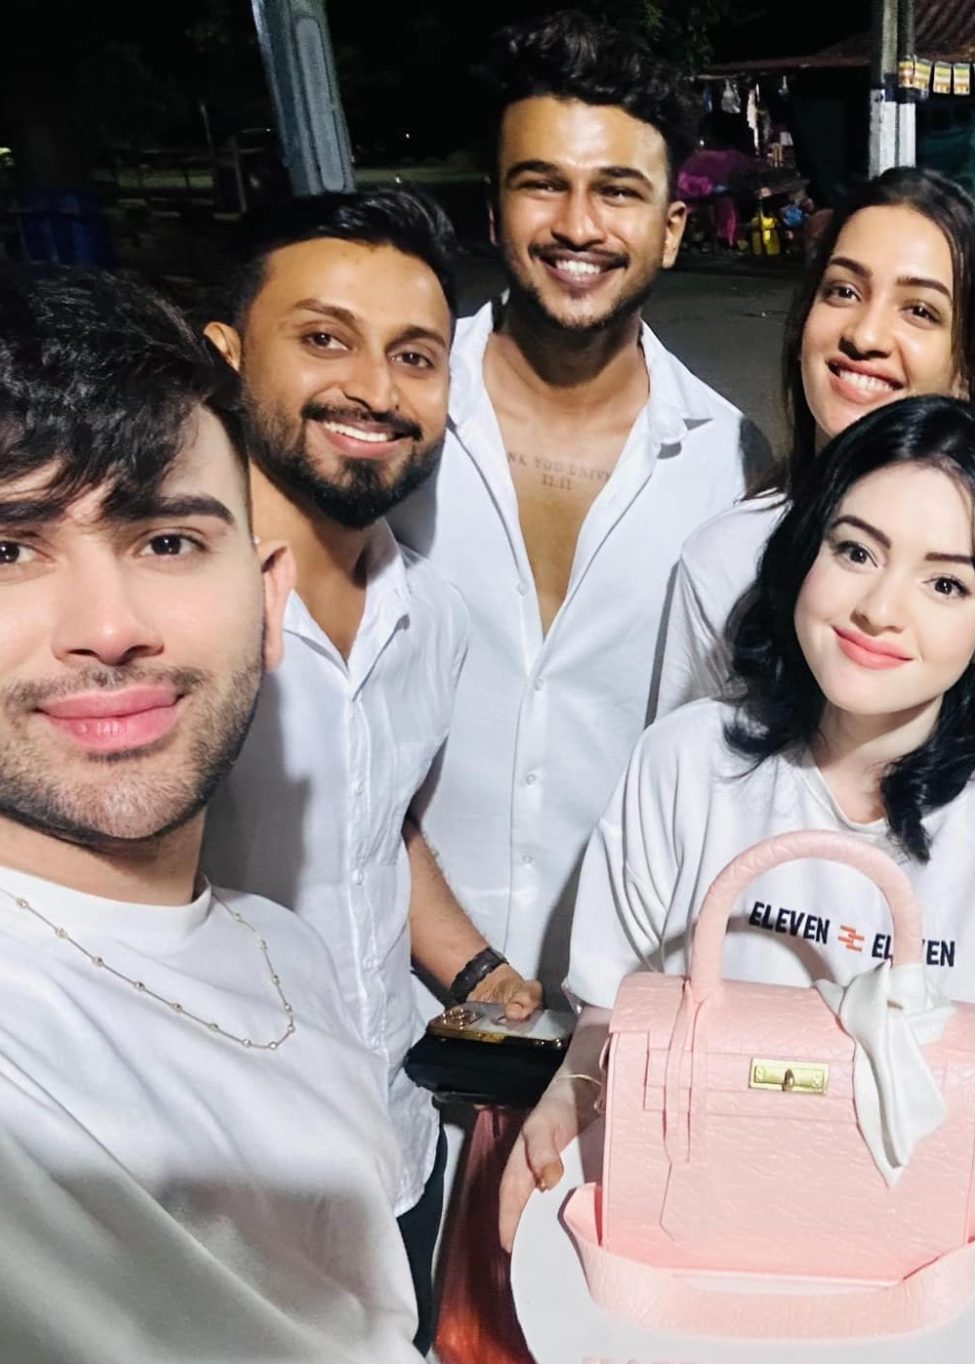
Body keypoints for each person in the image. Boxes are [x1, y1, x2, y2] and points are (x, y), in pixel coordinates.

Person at [0, 190, 526, 1360]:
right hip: (156, 1185)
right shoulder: (60, 663)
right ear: (230, 356)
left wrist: (482, 973)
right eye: (323, 337)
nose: (373, 388)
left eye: (414, 355)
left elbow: (382, 827)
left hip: (382, 1127)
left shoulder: (432, 617)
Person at [502, 398, 975, 1364]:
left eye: (947, 583)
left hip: (927, 1309)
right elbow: (618, 1007)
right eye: (855, 550)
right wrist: (574, 1099)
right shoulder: (687, 764)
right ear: (803, 551)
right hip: (713, 1283)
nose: (878, 608)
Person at [390, 11, 765, 1006]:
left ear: (670, 228)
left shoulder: (729, 462)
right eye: (541, 183)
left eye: (617, 191)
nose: (577, 225)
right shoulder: (394, 413)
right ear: (494, 210)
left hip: (621, 1009)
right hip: (383, 982)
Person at [654, 166, 975, 714]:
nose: (864, 335)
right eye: (843, 291)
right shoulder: (726, 561)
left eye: (919, 310)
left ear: (969, 359)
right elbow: (683, 759)